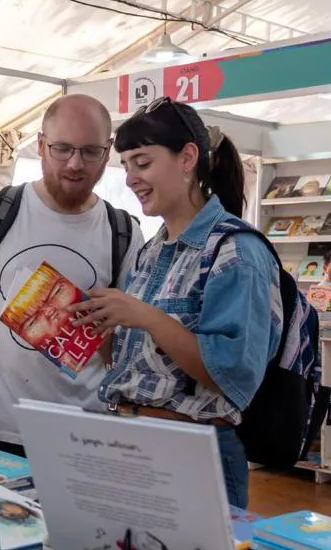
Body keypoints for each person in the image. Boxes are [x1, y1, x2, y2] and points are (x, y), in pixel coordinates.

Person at [76, 97, 280, 509]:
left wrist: (148, 318)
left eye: (143, 162)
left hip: (193, 452)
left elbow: (233, 373)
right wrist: (98, 327)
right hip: (131, 442)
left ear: (188, 158)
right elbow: (140, 363)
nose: (132, 178)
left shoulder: (236, 251)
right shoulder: (152, 250)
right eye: (127, 166)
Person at [0, 94, 143, 451]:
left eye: (90, 151)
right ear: (42, 145)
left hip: (83, 432)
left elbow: (128, 335)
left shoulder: (122, 230)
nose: (75, 163)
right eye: (62, 148)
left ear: (107, 153)